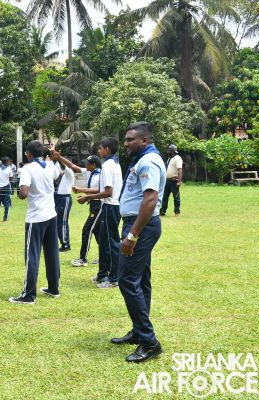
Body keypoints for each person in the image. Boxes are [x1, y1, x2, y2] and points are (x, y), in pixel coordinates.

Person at [112, 121, 165, 363]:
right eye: (125, 139)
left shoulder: (149, 161)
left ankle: (149, 341)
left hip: (140, 226)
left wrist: (132, 235)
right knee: (141, 280)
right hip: (138, 224)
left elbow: (150, 199)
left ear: (144, 140)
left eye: (130, 139)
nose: (125, 144)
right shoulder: (142, 159)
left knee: (126, 280)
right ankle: (139, 331)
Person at [8, 141, 61, 304]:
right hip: (51, 214)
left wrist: (19, 192)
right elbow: (58, 176)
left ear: (29, 154)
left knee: (32, 255)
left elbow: (24, 193)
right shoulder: (50, 165)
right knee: (52, 253)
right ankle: (53, 288)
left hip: (36, 217)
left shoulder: (27, 169)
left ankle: (29, 295)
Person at [77, 138, 123, 289]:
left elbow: (108, 192)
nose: (99, 151)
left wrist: (87, 197)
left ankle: (114, 278)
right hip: (107, 207)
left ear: (107, 150)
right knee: (103, 241)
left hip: (111, 207)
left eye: (100, 148)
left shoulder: (108, 166)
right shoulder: (115, 163)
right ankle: (103, 273)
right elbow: (105, 189)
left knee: (111, 243)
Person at [71, 156, 102, 267]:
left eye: (87, 163)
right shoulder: (90, 173)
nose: (85, 165)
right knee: (97, 232)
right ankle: (104, 257)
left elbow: (100, 190)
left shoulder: (101, 175)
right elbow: (73, 166)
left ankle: (83, 259)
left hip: (98, 205)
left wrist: (81, 190)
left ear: (94, 165)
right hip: (93, 204)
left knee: (87, 229)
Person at [53, 156, 75, 252]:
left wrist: (59, 158)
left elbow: (62, 166)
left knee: (62, 222)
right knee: (61, 222)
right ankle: (64, 242)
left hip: (65, 198)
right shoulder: (65, 174)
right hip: (60, 198)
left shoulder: (69, 172)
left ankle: (65, 244)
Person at [160, 144, 182, 217]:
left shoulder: (177, 158)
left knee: (176, 197)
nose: (168, 151)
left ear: (173, 151)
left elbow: (180, 170)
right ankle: (162, 211)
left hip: (174, 181)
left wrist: (179, 181)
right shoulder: (170, 159)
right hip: (167, 181)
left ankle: (177, 212)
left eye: (169, 150)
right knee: (165, 196)